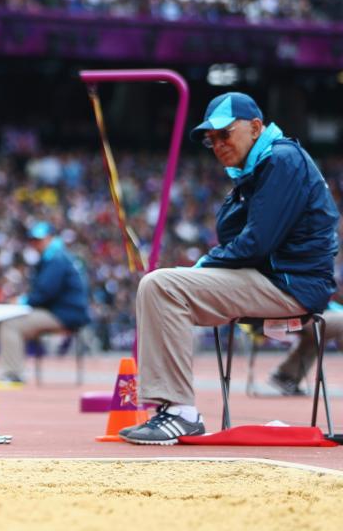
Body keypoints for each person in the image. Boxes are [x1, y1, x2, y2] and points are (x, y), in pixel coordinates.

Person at [121, 92, 340, 445]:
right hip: (273, 279)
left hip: (290, 286)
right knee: (159, 285)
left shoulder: (281, 160)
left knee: (162, 285)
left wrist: (205, 264)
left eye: (225, 134)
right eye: (211, 140)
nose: (218, 144)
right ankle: (173, 409)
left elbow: (256, 243)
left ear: (256, 127)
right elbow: (232, 233)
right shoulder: (254, 170)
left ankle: (180, 413)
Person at [0, 221, 92, 384]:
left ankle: (13, 374)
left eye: (39, 239)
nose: (35, 243)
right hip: (63, 312)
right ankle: (14, 372)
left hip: (65, 315)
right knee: (12, 322)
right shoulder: (56, 256)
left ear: (51, 238)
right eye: (33, 240)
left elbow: (45, 293)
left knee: (10, 324)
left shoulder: (56, 259)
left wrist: (21, 302)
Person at [268, 308, 343, 395]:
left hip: (299, 316)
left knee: (317, 336)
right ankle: (285, 375)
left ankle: (286, 374)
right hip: (291, 318)